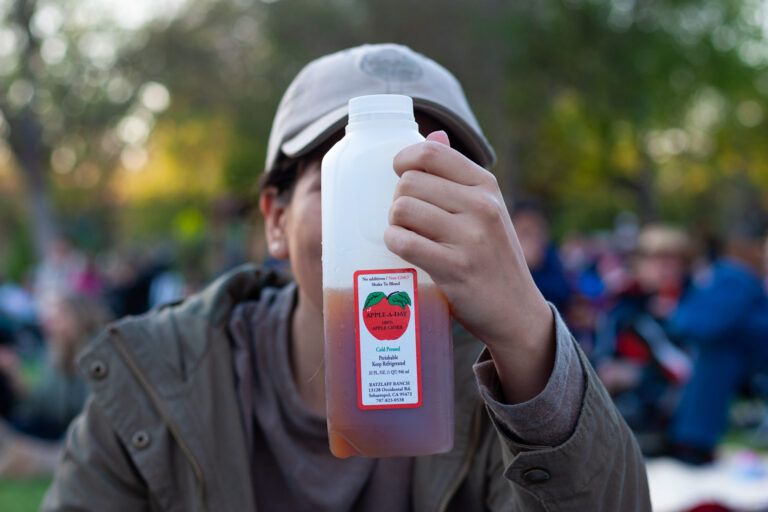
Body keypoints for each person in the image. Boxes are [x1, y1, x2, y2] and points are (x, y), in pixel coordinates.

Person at [42, 44, 649, 510]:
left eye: (433, 184)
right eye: (352, 186)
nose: (396, 224)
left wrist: (526, 336)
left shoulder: (513, 386)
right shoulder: (153, 379)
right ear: (275, 222)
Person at [667, 229, 768, 464]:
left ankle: (693, 441)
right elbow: (703, 325)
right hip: (736, 361)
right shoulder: (736, 278)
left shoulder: (734, 279)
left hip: (735, 362)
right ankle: (693, 440)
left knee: (717, 355)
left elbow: (695, 324)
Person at [592, 224, 693, 450]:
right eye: (657, 260)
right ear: (639, 264)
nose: (666, 269)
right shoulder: (622, 305)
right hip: (626, 408)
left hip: (676, 407)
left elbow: (687, 366)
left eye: (673, 261)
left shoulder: (690, 304)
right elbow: (602, 356)